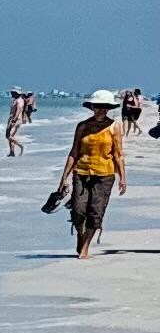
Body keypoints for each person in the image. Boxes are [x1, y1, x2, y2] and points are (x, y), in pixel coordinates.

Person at [53, 92, 126, 259]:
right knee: (78, 210)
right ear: (92, 107)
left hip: (105, 174)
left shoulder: (115, 127)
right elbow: (74, 152)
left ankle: (85, 246)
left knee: (96, 212)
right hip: (81, 172)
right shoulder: (82, 126)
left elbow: (118, 154)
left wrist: (123, 177)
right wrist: (64, 177)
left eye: (105, 107)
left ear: (109, 108)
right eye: (98, 106)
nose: (101, 109)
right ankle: (80, 234)